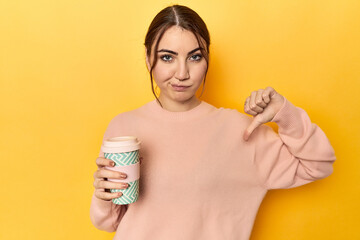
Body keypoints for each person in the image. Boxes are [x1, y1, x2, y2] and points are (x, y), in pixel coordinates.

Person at [90, 4, 336, 240]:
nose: (182, 73)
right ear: (147, 58)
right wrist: (103, 197)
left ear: (207, 59)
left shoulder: (241, 131)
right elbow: (109, 223)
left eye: (195, 57)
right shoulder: (124, 128)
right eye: (167, 57)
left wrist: (285, 113)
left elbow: (318, 165)